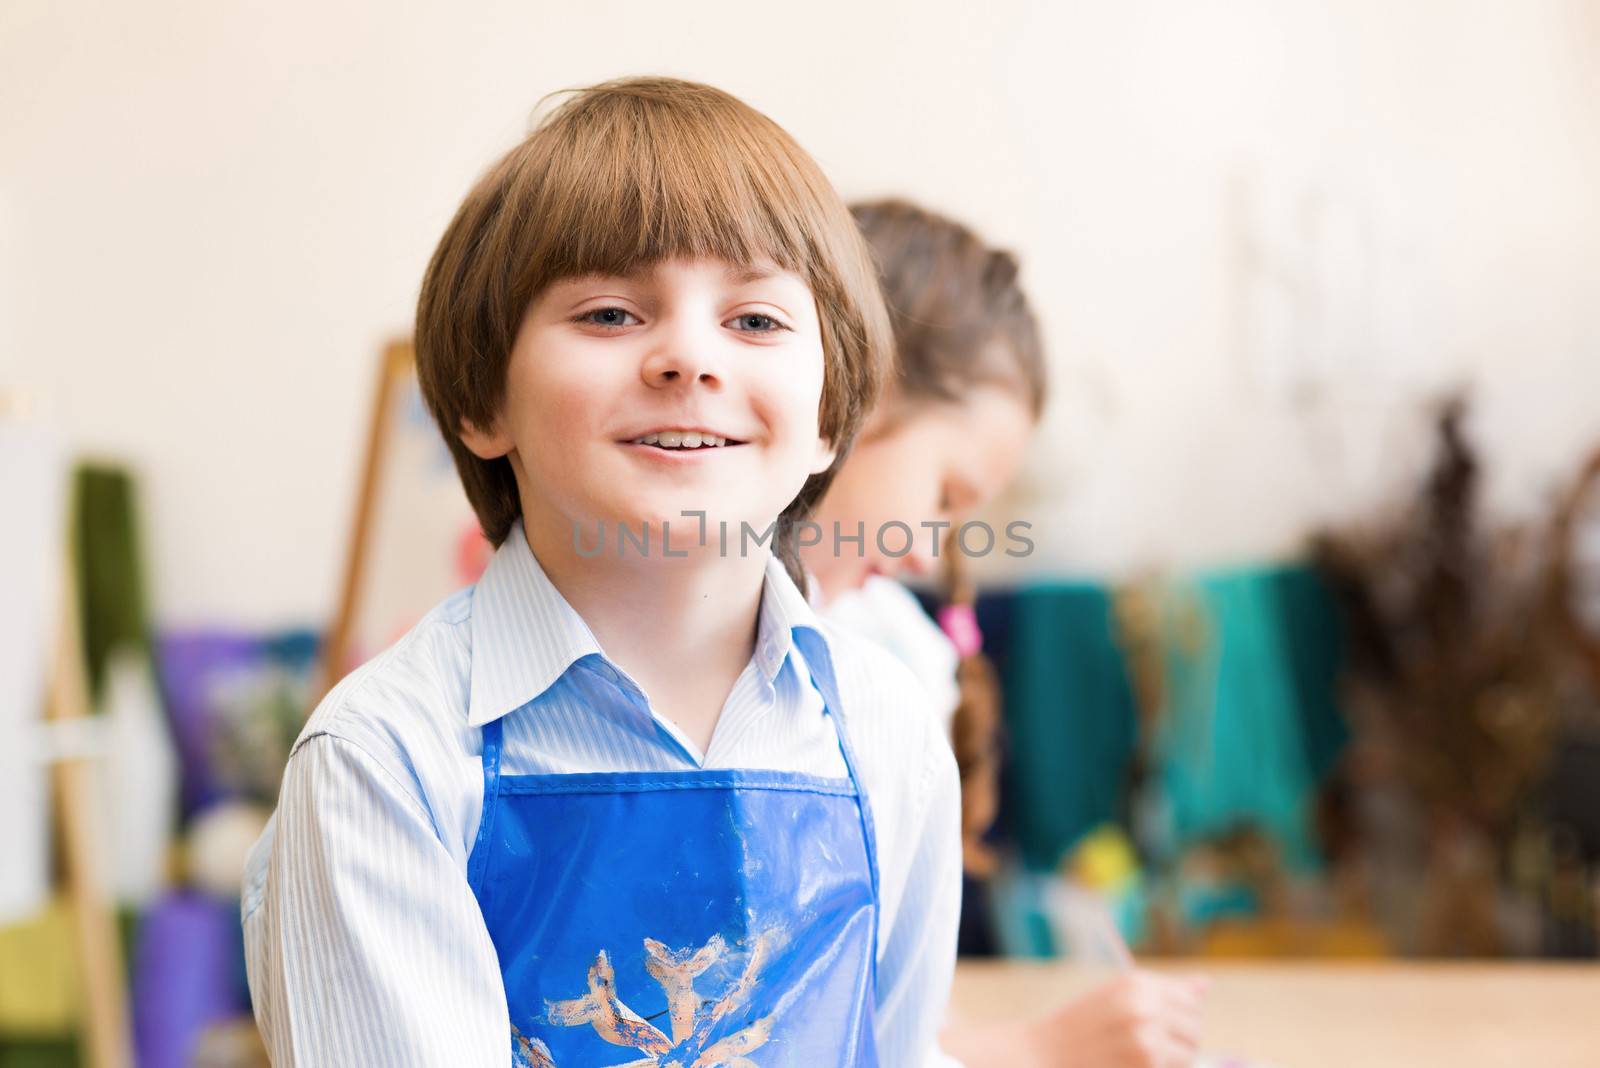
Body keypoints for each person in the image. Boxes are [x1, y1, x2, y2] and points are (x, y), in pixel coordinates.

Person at [242, 79, 968, 1066]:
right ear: (481, 403)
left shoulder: (887, 732)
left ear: (829, 416)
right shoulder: (383, 763)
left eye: (754, 320)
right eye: (611, 313)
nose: (687, 356)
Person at [807, 199, 1209, 1068]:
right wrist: (1037, 1052)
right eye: (944, 493)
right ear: (849, 389)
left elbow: (879, 1022)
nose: (924, 548)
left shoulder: (899, 661)